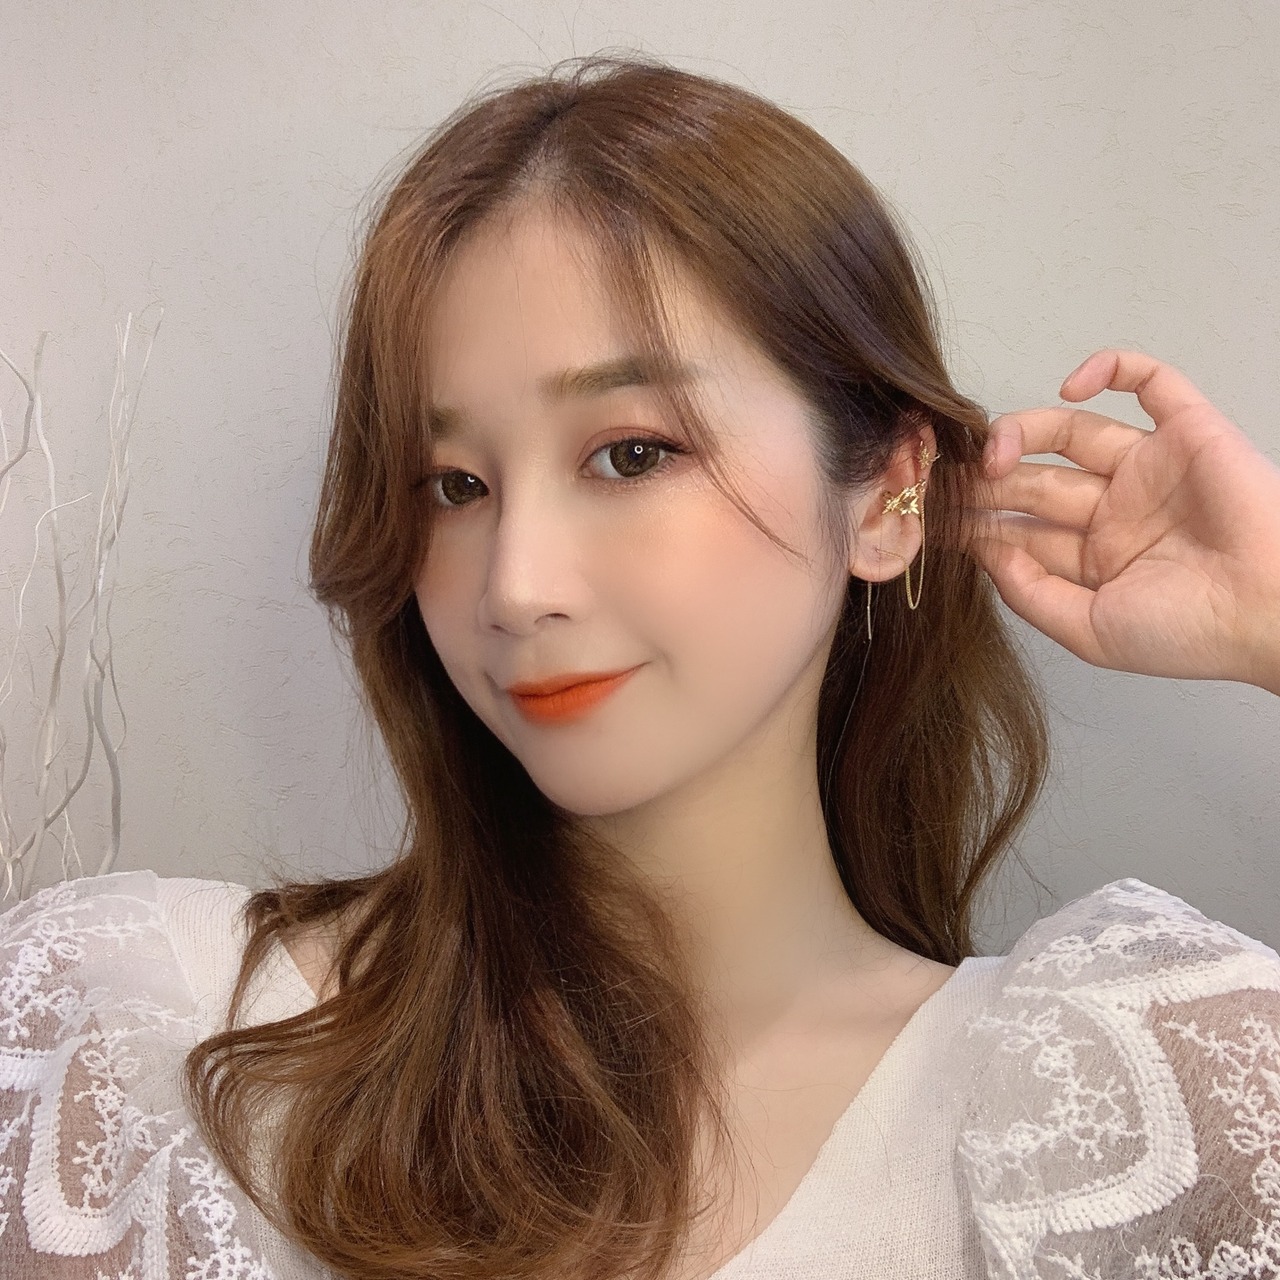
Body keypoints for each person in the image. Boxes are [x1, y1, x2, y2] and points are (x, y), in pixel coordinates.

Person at [1, 53, 1277, 1280]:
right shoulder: (136, 1039)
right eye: (453, 485)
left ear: (888, 493)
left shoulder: (1129, 1108)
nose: (514, 586)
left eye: (628, 453)